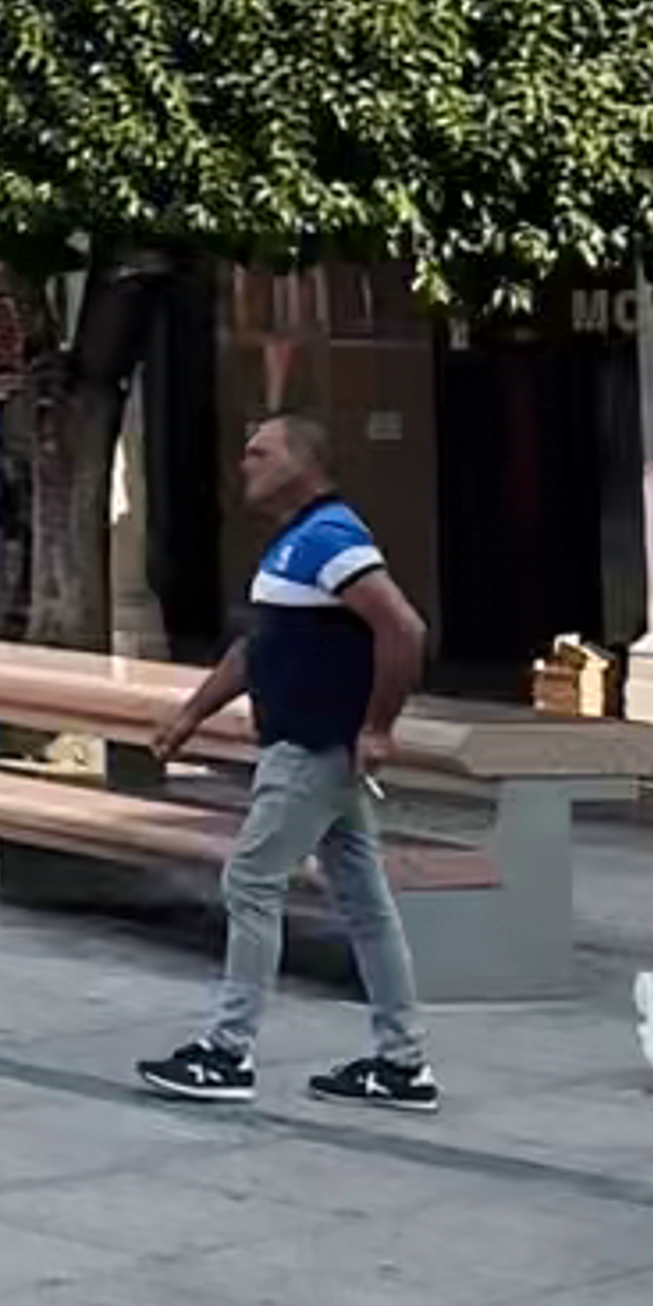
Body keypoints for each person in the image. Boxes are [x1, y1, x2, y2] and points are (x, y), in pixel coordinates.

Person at [139, 409, 436, 1109]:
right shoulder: (290, 545)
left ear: (303, 462)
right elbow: (257, 648)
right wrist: (190, 715)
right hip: (309, 745)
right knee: (365, 901)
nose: (245, 464)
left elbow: (403, 626)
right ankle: (403, 1063)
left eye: (260, 452)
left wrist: (378, 726)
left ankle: (226, 1051)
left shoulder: (331, 535)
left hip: (311, 748)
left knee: (251, 880)